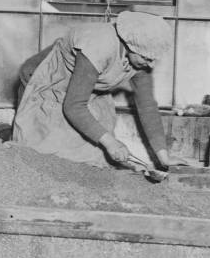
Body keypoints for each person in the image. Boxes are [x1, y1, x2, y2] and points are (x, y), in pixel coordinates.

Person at [13, 11, 185, 168]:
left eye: (154, 59)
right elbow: (73, 106)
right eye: (147, 58)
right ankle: (3, 134)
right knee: (39, 153)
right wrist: (111, 143)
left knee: (93, 155)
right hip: (47, 81)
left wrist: (163, 157)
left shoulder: (140, 59)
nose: (151, 64)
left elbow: (147, 106)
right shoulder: (98, 46)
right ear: (130, 46)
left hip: (81, 89)